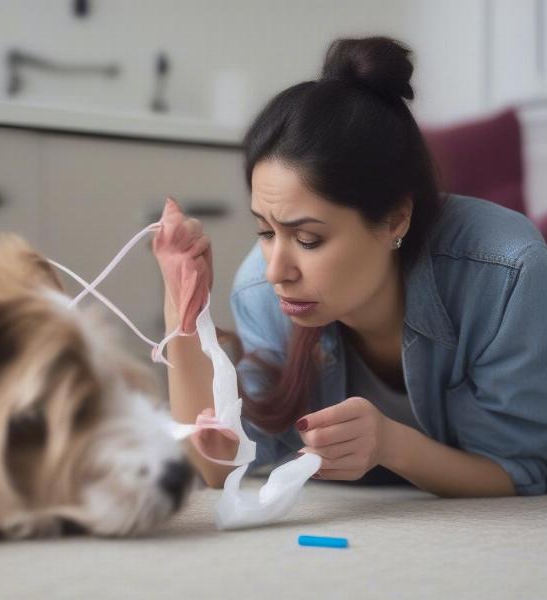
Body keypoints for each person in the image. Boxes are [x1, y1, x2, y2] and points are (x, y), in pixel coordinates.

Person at [157, 36, 547, 497]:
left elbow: (521, 473)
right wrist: (181, 310)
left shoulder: (504, 271)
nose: (276, 270)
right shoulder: (259, 290)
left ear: (394, 218)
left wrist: (392, 445)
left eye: (308, 239)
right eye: (265, 232)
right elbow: (218, 468)